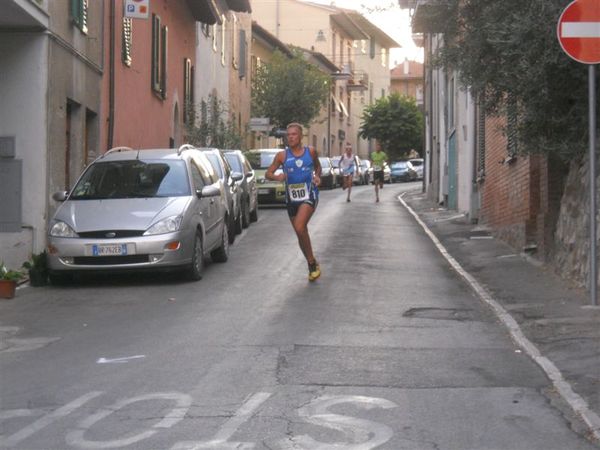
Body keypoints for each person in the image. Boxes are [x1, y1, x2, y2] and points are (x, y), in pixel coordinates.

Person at [265, 123, 322, 281]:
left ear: (301, 136)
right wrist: (277, 177)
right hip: (291, 199)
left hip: (309, 195)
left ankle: (311, 264)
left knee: (299, 226)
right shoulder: (282, 156)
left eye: (294, 134)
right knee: (300, 233)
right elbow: (268, 173)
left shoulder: (310, 152)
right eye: (288, 135)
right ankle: (313, 264)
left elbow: (318, 168)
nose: (290, 137)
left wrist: (317, 177)